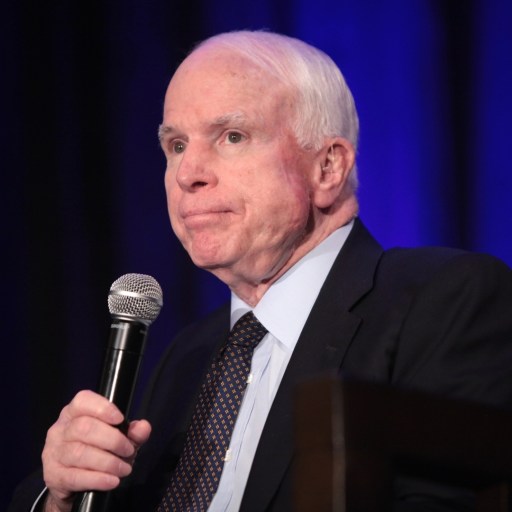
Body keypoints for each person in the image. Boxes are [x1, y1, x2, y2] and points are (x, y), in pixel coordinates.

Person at [9, 30, 512, 512]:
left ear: (327, 168)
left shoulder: (446, 300)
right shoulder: (188, 356)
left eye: (232, 136)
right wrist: (61, 500)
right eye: (176, 145)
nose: (188, 174)